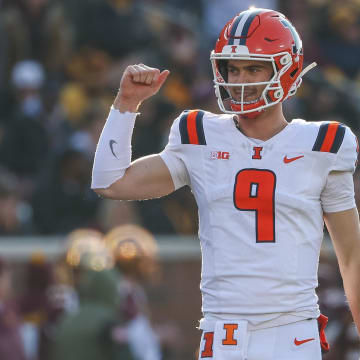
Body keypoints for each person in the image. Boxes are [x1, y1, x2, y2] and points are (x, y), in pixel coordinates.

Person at [91, 7, 360, 360]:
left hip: (292, 334)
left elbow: (352, 256)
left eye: (254, 68)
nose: (240, 80)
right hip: (222, 334)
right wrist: (126, 106)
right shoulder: (201, 135)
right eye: (233, 68)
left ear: (287, 69)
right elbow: (110, 183)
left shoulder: (324, 144)